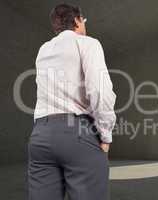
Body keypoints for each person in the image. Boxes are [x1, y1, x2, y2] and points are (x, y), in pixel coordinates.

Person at [27, 3, 116, 200]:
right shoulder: (88, 43)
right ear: (77, 20)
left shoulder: (43, 50)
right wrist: (106, 136)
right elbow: (100, 92)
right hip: (77, 132)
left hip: (40, 135)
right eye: (83, 21)